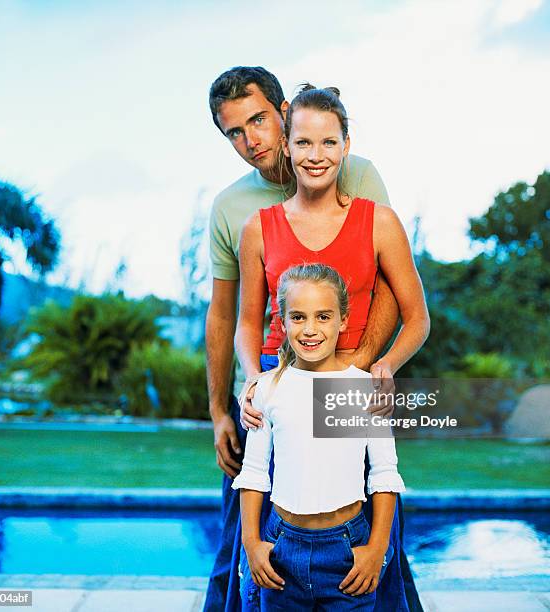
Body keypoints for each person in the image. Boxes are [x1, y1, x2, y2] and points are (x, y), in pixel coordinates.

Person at [203, 67, 407, 611]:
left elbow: (390, 286)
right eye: (235, 133)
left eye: (261, 122)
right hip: (271, 372)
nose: (254, 141)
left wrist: (357, 368)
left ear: (284, 112)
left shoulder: (356, 176)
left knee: (372, 528)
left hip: (349, 374)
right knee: (243, 536)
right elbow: (228, 315)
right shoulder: (234, 211)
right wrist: (225, 404)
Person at [233, 263, 408, 610]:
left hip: (347, 552)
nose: (310, 329)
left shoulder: (364, 389)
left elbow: (384, 474)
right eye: (298, 317)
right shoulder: (267, 389)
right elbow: (253, 474)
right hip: (281, 549)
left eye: (323, 317)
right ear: (282, 323)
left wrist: (377, 549)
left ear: (343, 320)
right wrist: (252, 543)